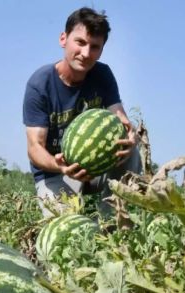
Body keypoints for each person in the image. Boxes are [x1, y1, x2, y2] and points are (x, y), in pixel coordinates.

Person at [23, 7, 140, 217]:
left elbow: (120, 119)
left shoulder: (102, 75)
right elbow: (34, 148)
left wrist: (131, 136)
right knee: (70, 234)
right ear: (63, 39)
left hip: (95, 170)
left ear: (102, 50)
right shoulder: (40, 84)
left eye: (94, 47)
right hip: (56, 173)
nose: (86, 54)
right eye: (80, 42)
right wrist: (60, 166)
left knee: (132, 152)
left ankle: (113, 224)